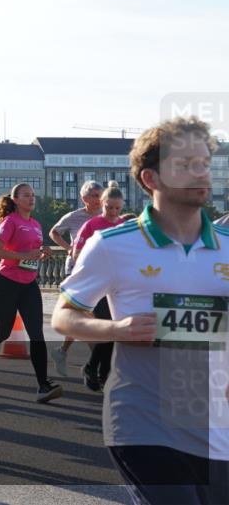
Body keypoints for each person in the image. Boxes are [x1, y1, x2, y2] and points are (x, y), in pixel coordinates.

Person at [53, 117, 229, 504]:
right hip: (143, 420)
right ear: (151, 178)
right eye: (185, 164)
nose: (200, 173)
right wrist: (117, 329)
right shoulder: (113, 245)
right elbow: (63, 316)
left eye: (204, 163)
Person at [0, 183, 62, 403]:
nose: (31, 199)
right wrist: (24, 255)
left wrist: (43, 253)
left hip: (29, 284)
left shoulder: (36, 224)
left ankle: (43, 385)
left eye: (33, 195)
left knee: (37, 334)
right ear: (15, 199)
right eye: (26, 195)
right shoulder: (10, 221)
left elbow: (32, 254)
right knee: (3, 332)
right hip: (6, 282)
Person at [70, 181, 125, 392]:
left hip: (118, 287)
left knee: (114, 332)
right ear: (102, 204)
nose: (113, 213)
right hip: (98, 285)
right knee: (106, 329)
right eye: (109, 208)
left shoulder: (124, 226)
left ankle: (102, 374)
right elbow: (77, 254)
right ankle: (92, 368)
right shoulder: (92, 225)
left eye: (117, 208)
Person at [48, 180, 104, 376]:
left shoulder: (106, 216)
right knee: (86, 315)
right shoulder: (74, 217)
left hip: (99, 271)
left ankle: (63, 352)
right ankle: (96, 365)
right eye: (95, 196)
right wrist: (69, 248)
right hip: (76, 271)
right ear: (84, 198)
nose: (99, 200)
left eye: (101, 196)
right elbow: (54, 232)